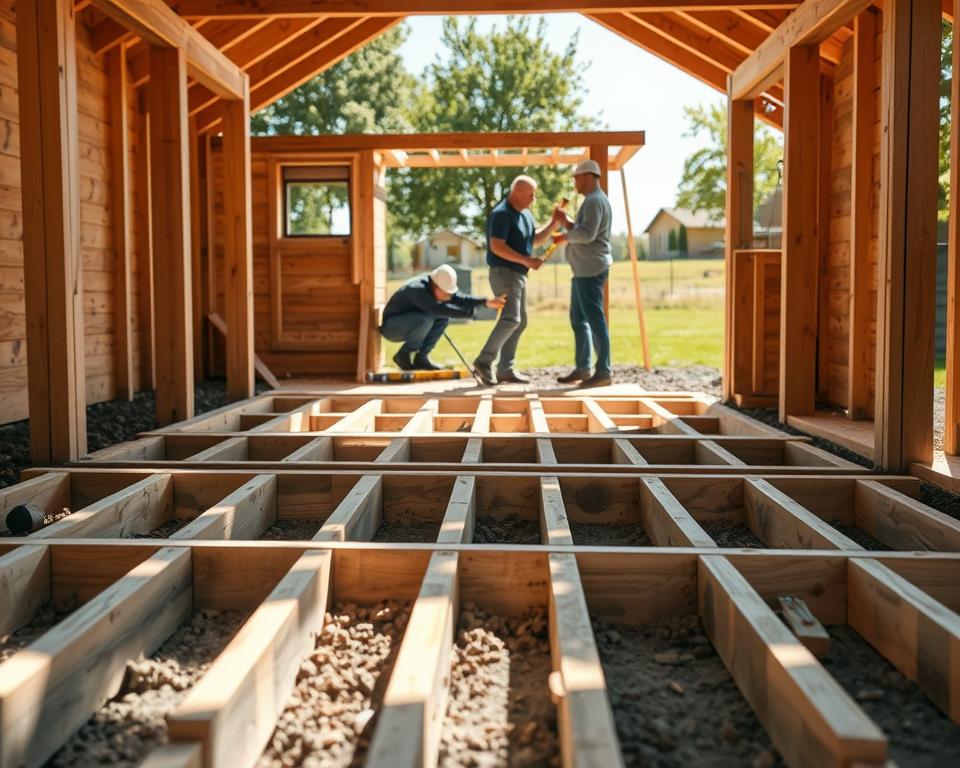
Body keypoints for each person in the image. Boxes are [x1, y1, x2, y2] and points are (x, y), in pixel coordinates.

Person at [473, 175, 561, 385]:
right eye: (531, 194)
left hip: (518, 274)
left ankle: (505, 369)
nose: (534, 198)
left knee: (520, 322)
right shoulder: (502, 214)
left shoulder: (525, 215)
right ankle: (484, 362)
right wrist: (526, 260)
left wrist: (554, 222)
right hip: (504, 273)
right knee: (512, 319)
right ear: (518, 192)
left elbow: (535, 239)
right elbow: (496, 246)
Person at [551, 159, 614, 387]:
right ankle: (584, 367)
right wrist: (565, 222)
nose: (575, 183)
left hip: (590, 269)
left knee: (595, 320)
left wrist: (563, 237)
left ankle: (603, 371)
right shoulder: (591, 201)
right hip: (583, 270)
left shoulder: (595, 201)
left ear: (588, 176)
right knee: (579, 319)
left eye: (576, 178)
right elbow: (582, 229)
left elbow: (587, 235)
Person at [381, 264, 506, 371]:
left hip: (409, 322)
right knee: (426, 319)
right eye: (447, 293)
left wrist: (485, 302)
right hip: (391, 327)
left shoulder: (437, 284)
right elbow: (440, 309)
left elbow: (459, 299)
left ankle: (422, 358)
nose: (449, 297)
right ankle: (403, 355)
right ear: (436, 287)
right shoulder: (416, 290)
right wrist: (470, 314)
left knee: (443, 319)